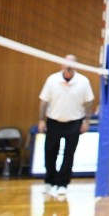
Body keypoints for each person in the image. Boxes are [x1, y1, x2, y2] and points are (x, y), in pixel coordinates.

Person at [38, 55, 95, 198]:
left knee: (69, 154)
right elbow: (44, 101)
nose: (68, 65)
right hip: (54, 120)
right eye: (66, 63)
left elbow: (88, 103)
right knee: (50, 153)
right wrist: (41, 120)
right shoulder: (52, 79)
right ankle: (49, 181)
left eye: (72, 63)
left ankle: (62, 184)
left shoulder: (83, 81)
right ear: (61, 65)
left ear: (76, 65)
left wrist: (87, 121)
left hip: (74, 122)